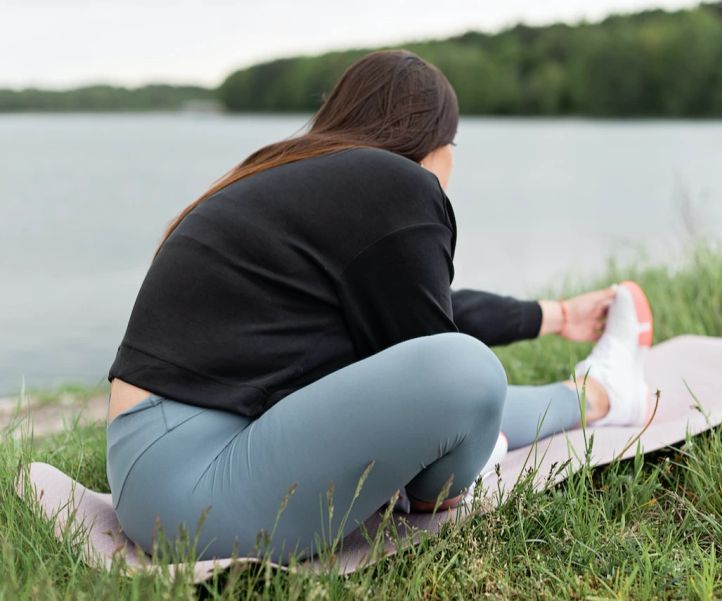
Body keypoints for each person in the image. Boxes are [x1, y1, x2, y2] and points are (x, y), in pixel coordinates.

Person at [105, 49, 654, 564]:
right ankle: (506, 442)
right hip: (195, 493)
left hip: (162, 469)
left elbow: (419, 320)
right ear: (438, 144)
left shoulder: (295, 173)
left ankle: (597, 394)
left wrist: (556, 315)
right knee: (468, 374)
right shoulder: (398, 182)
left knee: (443, 373)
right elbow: (436, 354)